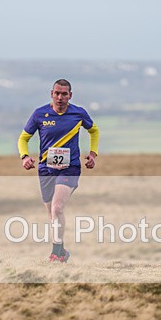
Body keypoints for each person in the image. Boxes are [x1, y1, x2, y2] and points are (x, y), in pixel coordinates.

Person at [17, 79, 100, 262]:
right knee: (52, 214)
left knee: (57, 207)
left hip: (70, 168)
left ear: (70, 95)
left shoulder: (78, 113)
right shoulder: (39, 114)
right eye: (57, 93)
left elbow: (94, 131)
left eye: (64, 94)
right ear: (51, 94)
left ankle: (55, 253)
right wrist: (25, 157)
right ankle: (62, 252)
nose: (60, 97)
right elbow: (23, 138)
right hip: (46, 169)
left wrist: (93, 154)